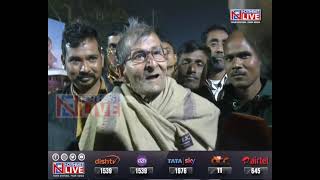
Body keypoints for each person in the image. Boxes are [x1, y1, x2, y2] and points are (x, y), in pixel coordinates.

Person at [79, 18, 220, 151]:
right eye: (139, 56)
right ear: (122, 72)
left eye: (157, 53)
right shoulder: (104, 114)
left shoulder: (205, 112)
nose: (152, 64)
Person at [48, 22, 113, 150]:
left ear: (102, 58)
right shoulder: (51, 105)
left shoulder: (124, 99)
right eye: (75, 60)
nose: (85, 69)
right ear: (63, 61)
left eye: (92, 58)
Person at [219, 30, 272, 126]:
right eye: (229, 58)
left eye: (244, 56)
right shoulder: (216, 111)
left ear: (261, 58)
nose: (236, 64)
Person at [201, 25, 230, 102]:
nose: (220, 49)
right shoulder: (192, 87)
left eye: (224, 44)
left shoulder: (241, 85)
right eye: (213, 44)